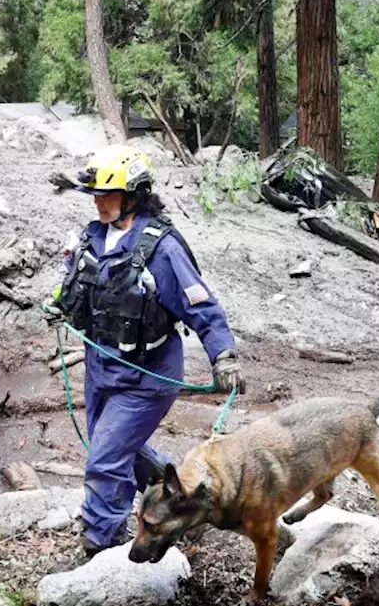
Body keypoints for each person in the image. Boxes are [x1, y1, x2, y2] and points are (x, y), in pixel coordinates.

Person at [54, 145, 245, 567]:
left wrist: (223, 355)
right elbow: (71, 287)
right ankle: (174, 490)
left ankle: (99, 547)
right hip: (100, 367)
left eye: (108, 194)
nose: (99, 202)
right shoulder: (91, 237)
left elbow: (201, 305)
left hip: (147, 378)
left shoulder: (162, 249)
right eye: (95, 195)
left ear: (134, 195)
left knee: (105, 459)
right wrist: (57, 306)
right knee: (115, 449)